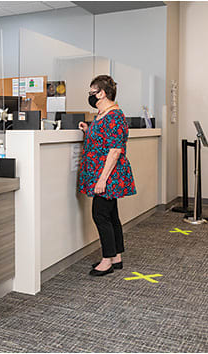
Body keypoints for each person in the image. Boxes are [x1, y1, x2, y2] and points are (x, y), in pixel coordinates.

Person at [78, 75, 136, 276]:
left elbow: (114, 150)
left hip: (108, 176)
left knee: (100, 215)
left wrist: (102, 180)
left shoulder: (114, 116)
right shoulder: (103, 114)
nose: (91, 96)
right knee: (111, 215)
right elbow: (102, 141)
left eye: (92, 92)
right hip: (102, 173)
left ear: (102, 93)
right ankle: (116, 256)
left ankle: (107, 260)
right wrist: (88, 130)